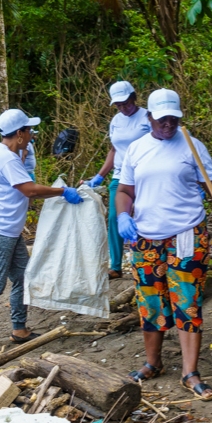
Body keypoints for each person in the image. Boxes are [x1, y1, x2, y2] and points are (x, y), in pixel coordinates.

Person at [115, 88, 212, 401]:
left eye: (173, 117)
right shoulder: (136, 149)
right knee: (151, 300)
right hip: (145, 236)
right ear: (149, 117)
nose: (168, 123)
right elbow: (125, 191)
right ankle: (153, 363)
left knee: (187, 301)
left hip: (186, 234)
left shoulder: (192, 146)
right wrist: (122, 215)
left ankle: (190, 372)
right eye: (162, 118)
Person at [0, 109, 85, 358]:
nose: (33, 135)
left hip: (8, 231)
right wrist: (63, 191)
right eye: (29, 131)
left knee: (23, 277)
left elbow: (29, 190)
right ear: (19, 133)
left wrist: (27, 157)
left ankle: (19, 329)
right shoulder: (6, 159)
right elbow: (30, 190)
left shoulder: (11, 155)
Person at [86, 81, 151, 279]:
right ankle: (115, 265)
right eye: (118, 105)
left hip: (144, 174)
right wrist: (99, 176)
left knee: (143, 216)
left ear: (134, 97)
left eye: (125, 102)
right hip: (121, 175)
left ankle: (145, 260)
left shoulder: (148, 117)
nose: (123, 107)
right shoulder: (116, 121)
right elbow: (114, 149)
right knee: (116, 217)